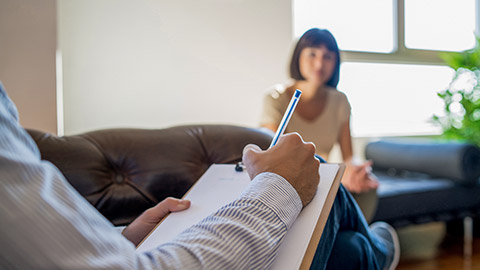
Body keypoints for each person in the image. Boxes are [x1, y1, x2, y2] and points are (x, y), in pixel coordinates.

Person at [0, 82, 398, 269]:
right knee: (328, 203)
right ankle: (382, 251)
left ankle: (376, 250)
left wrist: (120, 240)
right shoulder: (279, 96)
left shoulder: (338, 100)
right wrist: (278, 187)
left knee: (342, 244)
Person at [260, 28, 379, 221]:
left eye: (328, 57)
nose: (319, 63)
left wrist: (356, 170)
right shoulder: (276, 98)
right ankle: (377, 247)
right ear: (298, 56)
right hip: (289, 181)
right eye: (312, 54)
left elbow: (349, 156)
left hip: (323, 179)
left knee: (366, 186)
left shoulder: (340, 101)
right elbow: (274, 156)